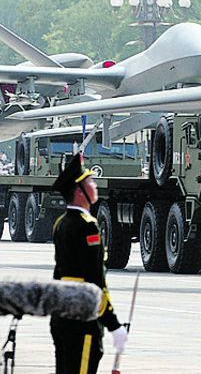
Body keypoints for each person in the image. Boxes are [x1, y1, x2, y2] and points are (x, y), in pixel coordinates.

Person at [50, 153, 127, 374]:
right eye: (90, 181)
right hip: (83, 319)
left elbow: (59, 274)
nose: (95, 185)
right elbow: (94, 280)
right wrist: (113, 324)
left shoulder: (60, 224)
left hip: (61, 316)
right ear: (79, 191)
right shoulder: (88, 226)